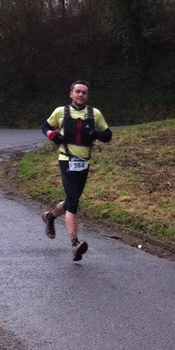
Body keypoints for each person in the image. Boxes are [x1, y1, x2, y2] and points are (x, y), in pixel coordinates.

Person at [41, 80, 112, 261]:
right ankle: (75, 243)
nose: (81, 95)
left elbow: (108, 135)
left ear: (87, 96)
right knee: (73, 201)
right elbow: (45, 127)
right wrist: (53, 135)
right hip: (66, 159)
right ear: (71, 94)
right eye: (78, 92)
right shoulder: (60, 112)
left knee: (72, 200)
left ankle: (50, 216)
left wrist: (96, 134)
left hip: (84, 162)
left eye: (84, 93)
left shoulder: (94, 114)